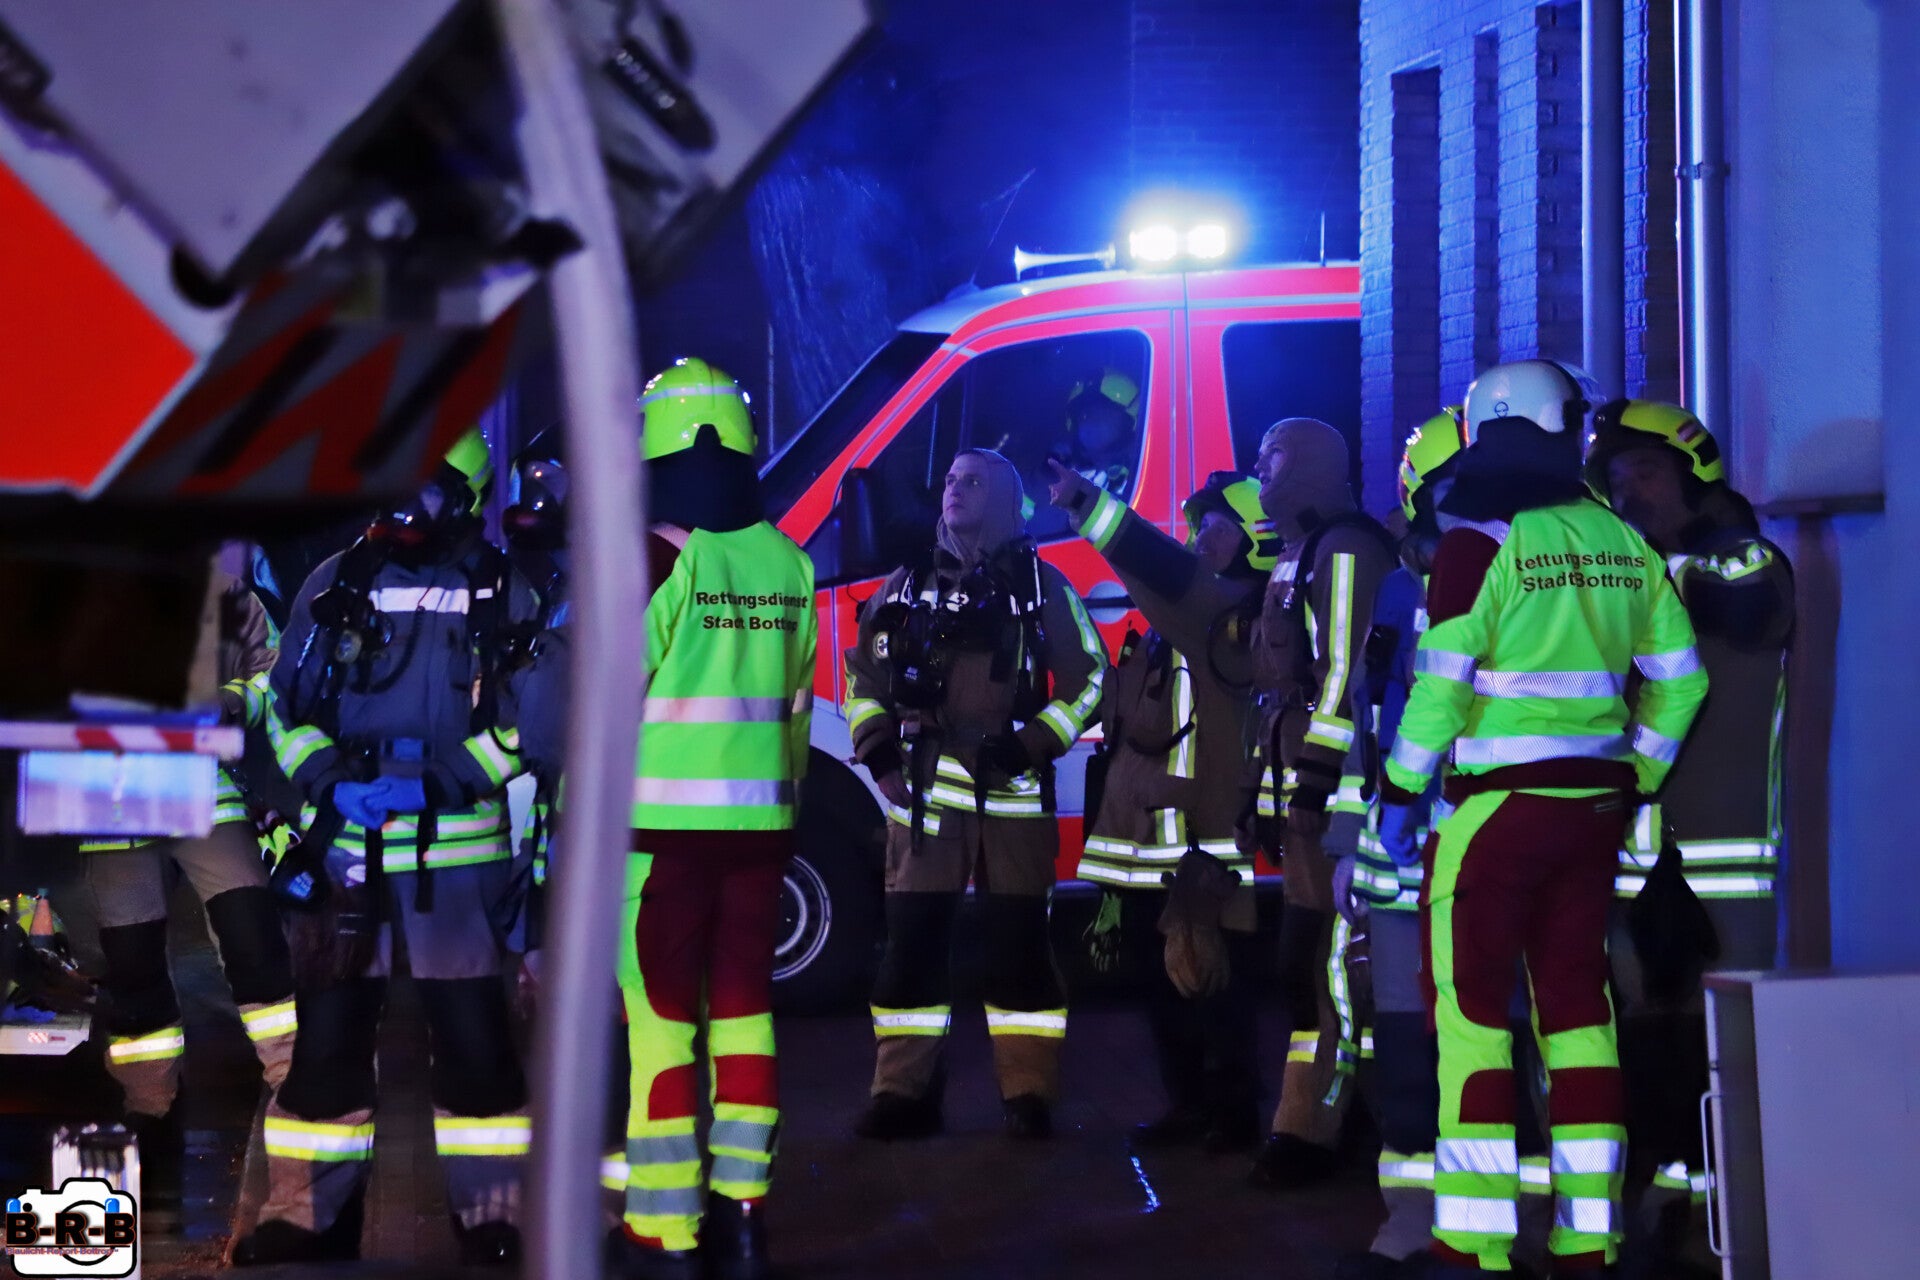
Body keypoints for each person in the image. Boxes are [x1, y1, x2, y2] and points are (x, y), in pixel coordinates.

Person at [1378, 360, 1709, 1278]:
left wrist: (1401, 793)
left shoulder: (1475, 546)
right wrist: (1634, 774)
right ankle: (1586, 1241)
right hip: (1592, 812)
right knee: (1580, 1018)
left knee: (1477, 1021)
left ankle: (1474, 1244)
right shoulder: (1621, 542)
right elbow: (1683, 683)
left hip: (1493, 817)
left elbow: (1438, 694)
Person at [236, 429, 538, 1267]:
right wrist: (331, 783)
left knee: (476, 1049)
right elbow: (280, 707)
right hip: (345, 859)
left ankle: (492, 1219)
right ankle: (305, 1220)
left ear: (465, 498)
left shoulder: (502, 594)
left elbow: (527, 726)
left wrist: (436, 784)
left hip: (455, 864)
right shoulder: (334, 585)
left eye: (424, 491)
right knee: (326, 1045)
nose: (401, 507)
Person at [607, 359, 817, 1280]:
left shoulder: (658, 555)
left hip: (656, 841)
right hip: (761, 833)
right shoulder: (790, 561)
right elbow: (800, 710)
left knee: (660, 1030)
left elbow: (605, 702)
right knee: (745, 1017)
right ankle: (743, 1226)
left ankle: (665, 1236)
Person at [1584, 399, 1794, 1278]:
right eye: (1618, 478)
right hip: (1638, 862)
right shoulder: (1631, 579)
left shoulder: (1744, 560)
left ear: (1696, 477)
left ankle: (1735, 1232)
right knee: (1651, 1052)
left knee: (1730, 1058)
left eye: (1649, 474)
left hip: (1728, 864)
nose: (1632, 493)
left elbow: (1735, 602)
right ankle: (1668, 1214)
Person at [846, 448, 1106, 1142]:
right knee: (911, 950)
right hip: (924, 800)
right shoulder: (903, 587)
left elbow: (1092, 681)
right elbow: (863, 681)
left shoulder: (1039, 587)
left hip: (1013, 794)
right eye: (951, 479)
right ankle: (902, 1093)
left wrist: (1032, 745)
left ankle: (1028, 1094)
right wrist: (880, 760)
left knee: (1019, 952)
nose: (955, 491)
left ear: (1001, 499)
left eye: (973, 482)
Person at [1048, 465, 1271, 1152]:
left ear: (1249, 544)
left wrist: (1086, 503)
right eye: (1199, 526)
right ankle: (1189, 1105)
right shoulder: (1192, 615)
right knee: (1164, 982)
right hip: (1151, 838)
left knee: (1212, 981)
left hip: (1197, 841)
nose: (1200, 539)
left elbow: (1148, 561)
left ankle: (1229, 1113)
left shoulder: (1225, 610)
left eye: (1216, 528)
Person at [81, 546, 295, 1177]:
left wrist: (228, 703)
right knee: (132, 964)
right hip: (106, 806)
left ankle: (290, 1080)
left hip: (204, 791)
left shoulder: (224, 595)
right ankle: (148, 1103)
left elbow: (278, 674)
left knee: (252, 934)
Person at [1242, 418, 1396, 1188]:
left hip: (1333, 791)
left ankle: (1312, 1127)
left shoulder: (1344, 548)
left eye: (1272, 454)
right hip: (1296, 771)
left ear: (1312, 466)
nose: (1258, 468)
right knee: (1310, 965)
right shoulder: (1298, 552)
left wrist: (1311, 781)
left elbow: (1341, 676)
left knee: (1328, 966)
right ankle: (1329, 1115)